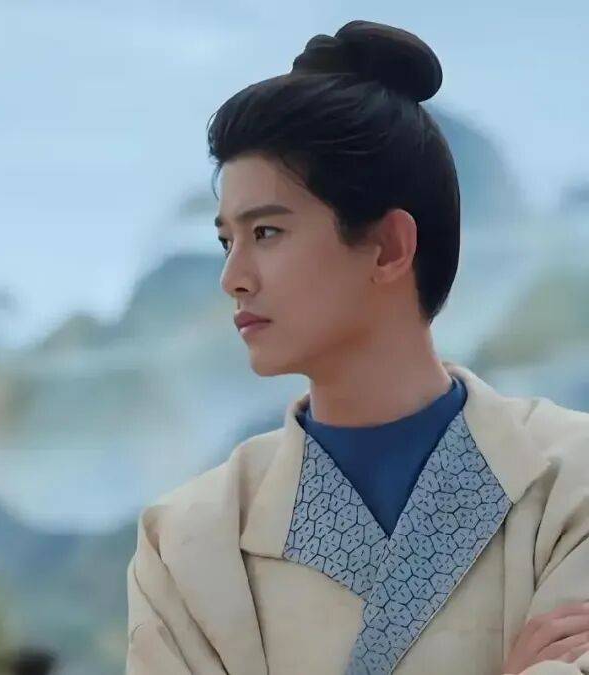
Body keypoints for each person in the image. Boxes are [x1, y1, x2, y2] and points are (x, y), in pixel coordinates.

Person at [125, 21, 589, 675]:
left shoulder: (573, 481)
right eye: (227, 241)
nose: (233, 277)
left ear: (389, 246)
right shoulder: (185, 540)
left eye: (266, 232)